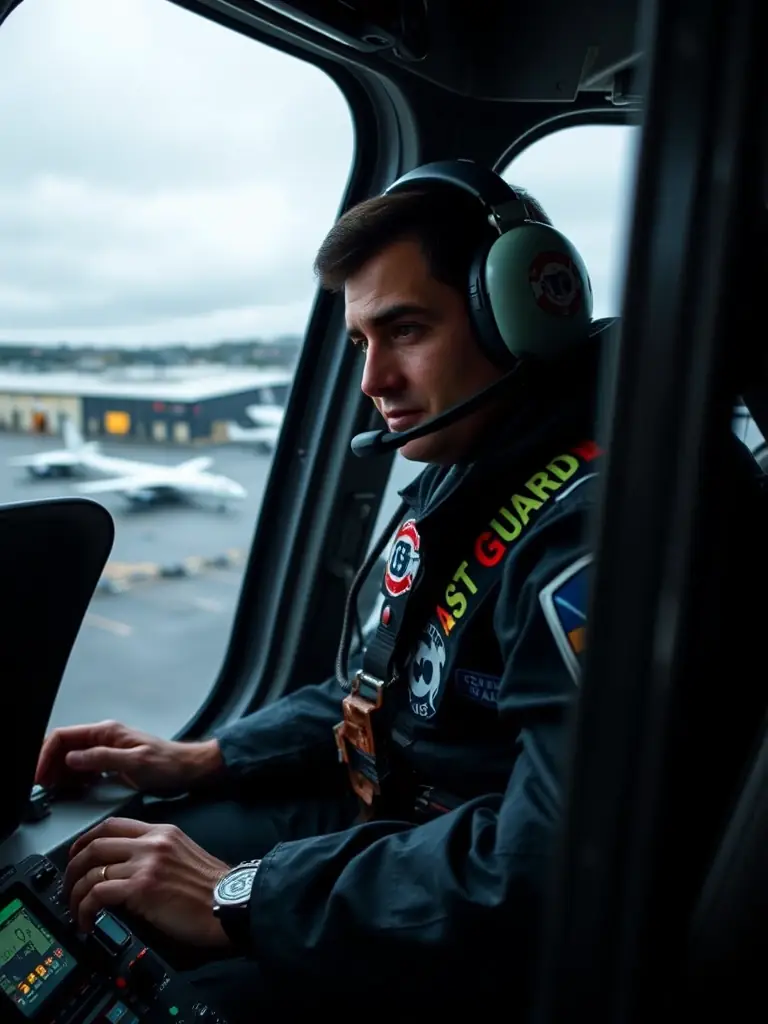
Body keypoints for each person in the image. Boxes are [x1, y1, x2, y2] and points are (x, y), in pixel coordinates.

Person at [35, 160, 610, 1016]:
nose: (373, 382)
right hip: (395, 825)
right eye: (360, 343)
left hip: (481, 905)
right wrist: (208, 756)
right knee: (102, 864)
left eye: (405, 330)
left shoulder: (595, 535)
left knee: (185, 990)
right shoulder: (477, 467)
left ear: (519, 314)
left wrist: (242, 896)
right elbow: (373, 690)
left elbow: (540, 866)